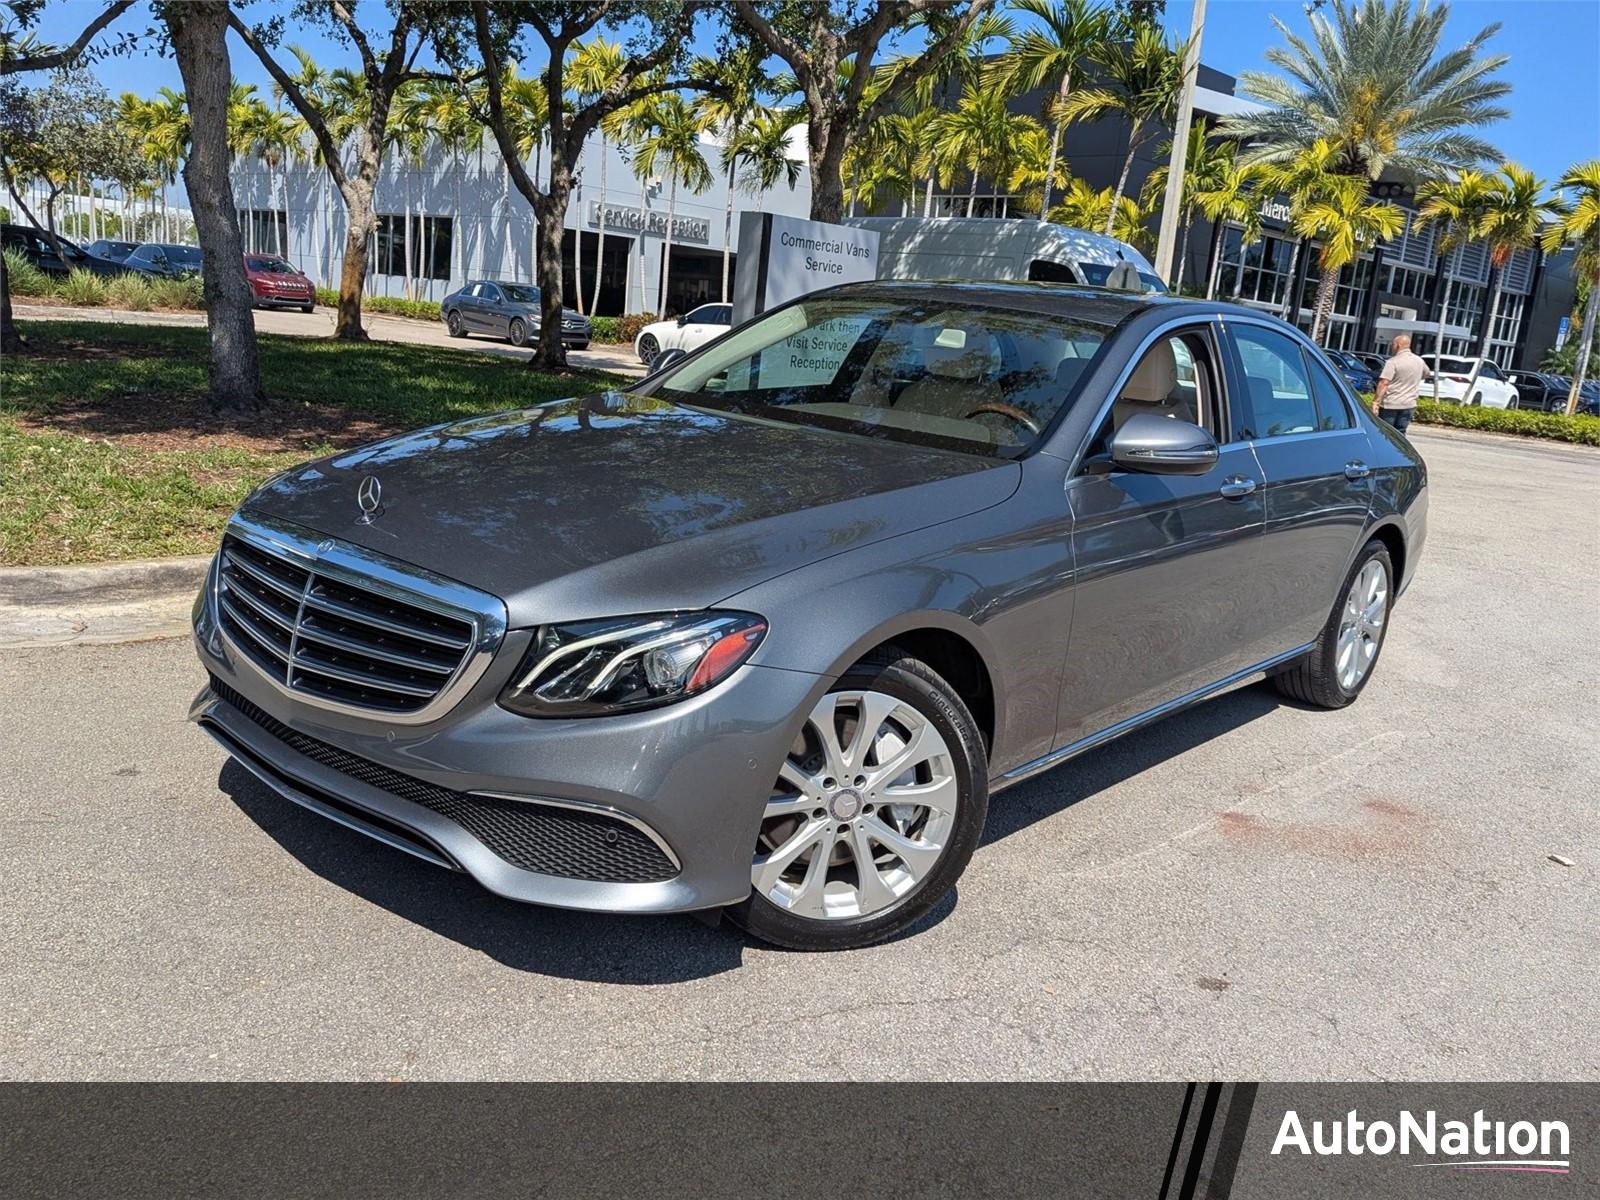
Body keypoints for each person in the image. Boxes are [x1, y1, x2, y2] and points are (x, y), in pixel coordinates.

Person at [1373, 334, 1430, 434]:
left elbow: (1384, 382)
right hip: (1409, 404)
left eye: (1393, 344)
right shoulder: (1419, 360)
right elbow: (1426, 374)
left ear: (1398, 345)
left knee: (1387, 433)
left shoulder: (1393, 362)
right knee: (1400, 433)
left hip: (1390, 404)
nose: (1392, 347)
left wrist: (1376, 402)